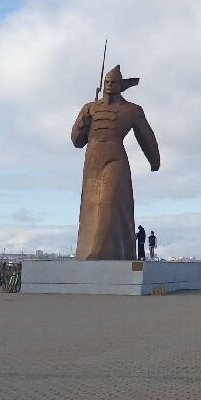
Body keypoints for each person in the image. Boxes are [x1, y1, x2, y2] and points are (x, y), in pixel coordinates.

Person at [72, 65, 160, 261]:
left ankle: (98, 251)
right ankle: (91, 251)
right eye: (107, 82)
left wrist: (154, 159)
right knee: (91, 207)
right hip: (92, 161)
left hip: (115, 159)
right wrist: (83, 121)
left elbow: (146, 135)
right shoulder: (89, 108)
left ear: (121, 85)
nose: (110, 85)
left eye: (114, 82)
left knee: (108, 202)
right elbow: (77, 141)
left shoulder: (132, 110)